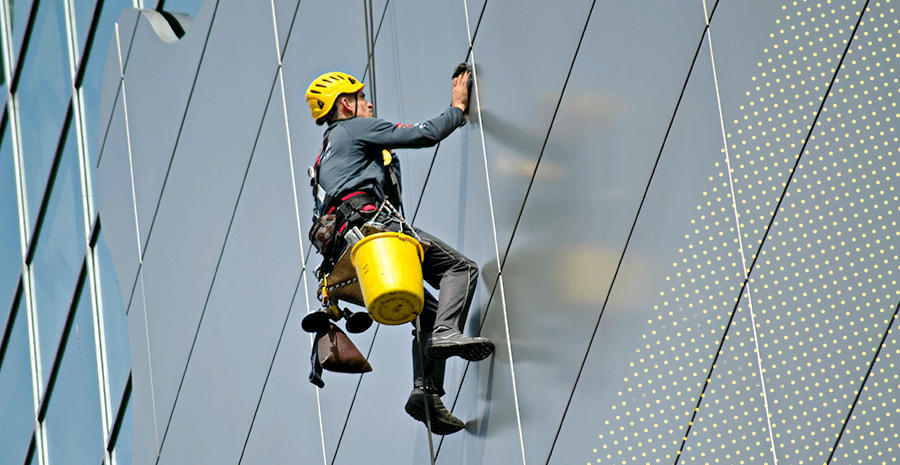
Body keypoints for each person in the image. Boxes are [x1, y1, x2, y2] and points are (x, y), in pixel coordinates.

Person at [305, 69, 494, 435]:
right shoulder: (352, 129)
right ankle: (445, 334)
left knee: (428, 310)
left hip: (350, 256)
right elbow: (423, 134)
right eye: (362, 98)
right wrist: (457, 108)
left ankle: (425, 393)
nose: (369, 103)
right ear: (346, 104)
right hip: (375, 232)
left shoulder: (323, 157)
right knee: (461, 269)